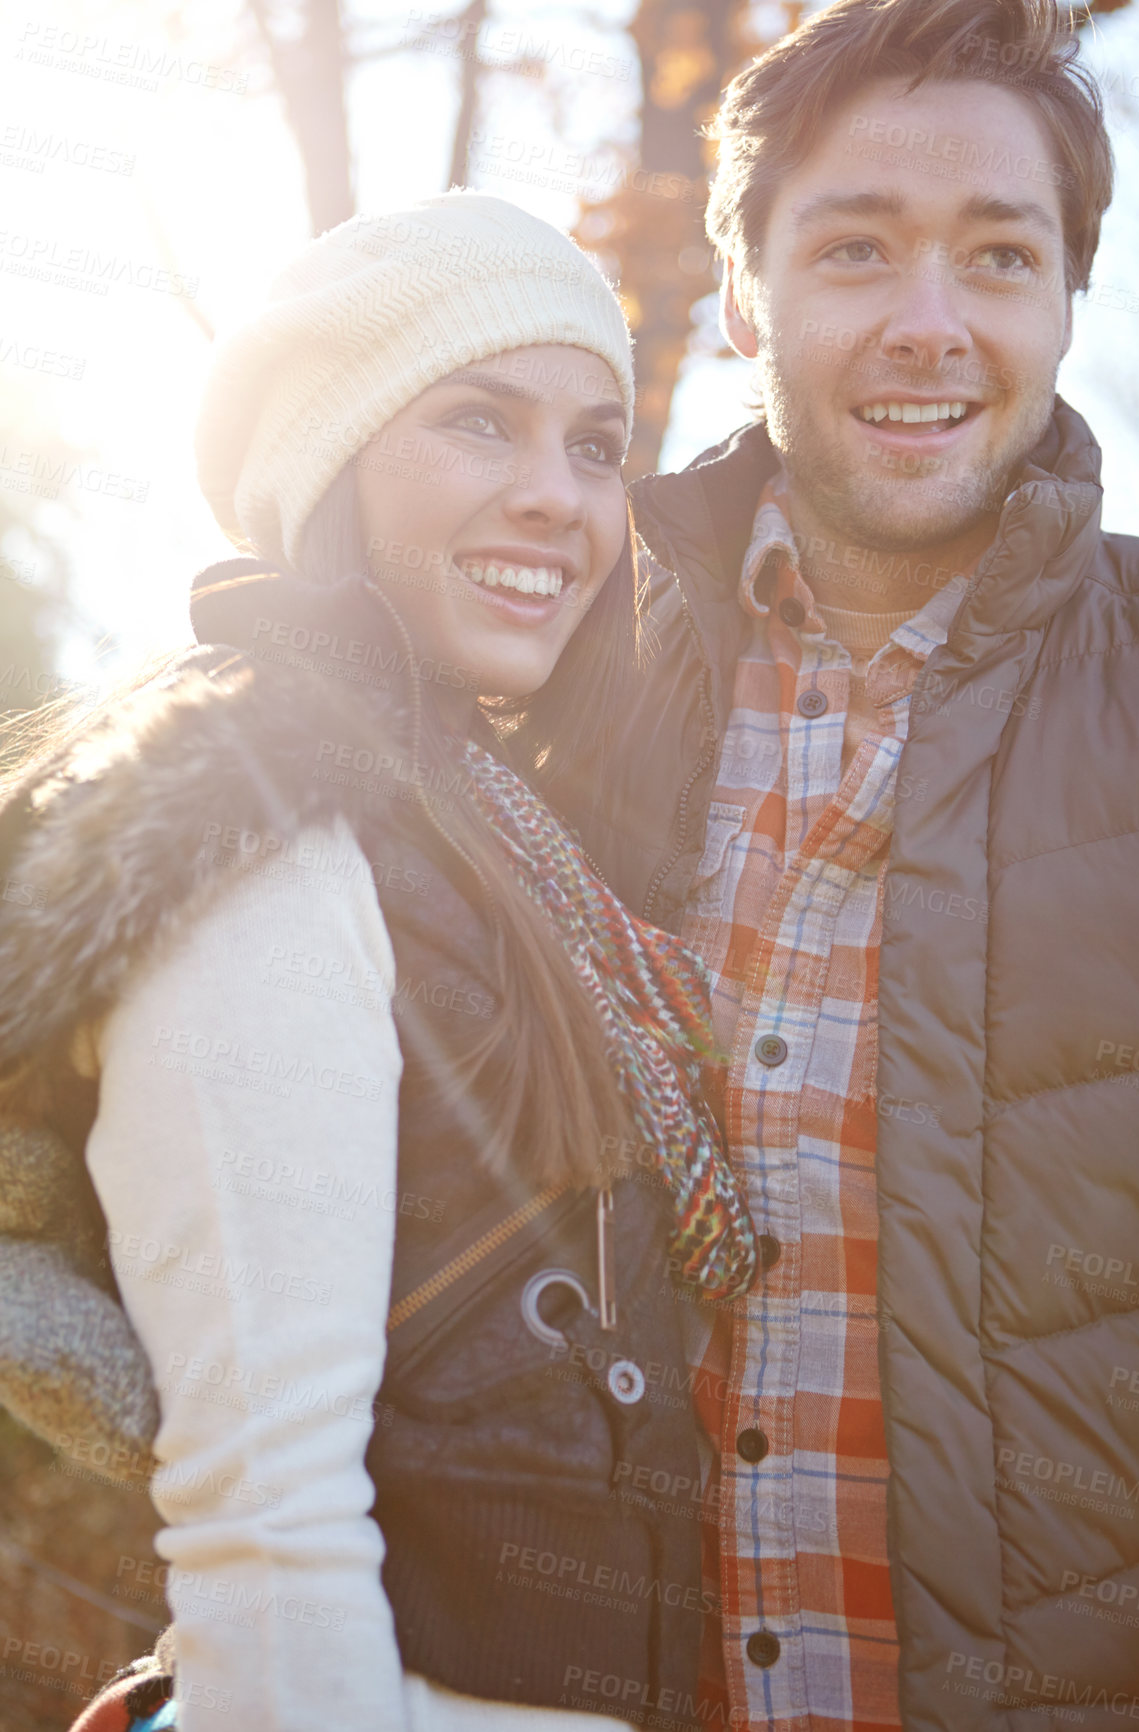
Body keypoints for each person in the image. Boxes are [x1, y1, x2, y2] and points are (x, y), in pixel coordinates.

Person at [0, 193, 757, 1732]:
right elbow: (267, 1534)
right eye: (481, 423)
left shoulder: (494, 834)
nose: (558, 497)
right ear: (327, 457)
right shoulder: (268, 831)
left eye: (595, 445)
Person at [545, 0, 1139, 1727]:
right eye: (856, 249)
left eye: (996, 256)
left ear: (1060, 299)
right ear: (745, 293)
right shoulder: (551, 690)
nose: (927, 326)